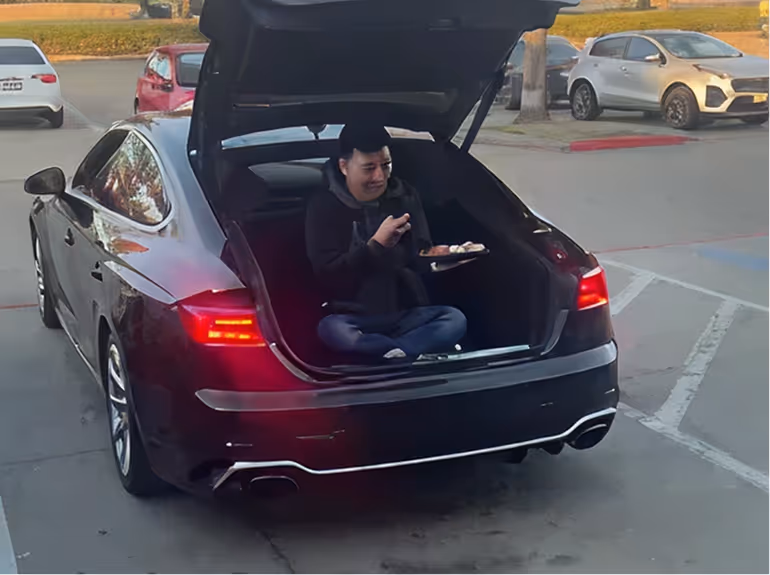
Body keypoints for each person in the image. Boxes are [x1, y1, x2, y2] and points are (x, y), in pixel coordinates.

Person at [305, 124, 467, 361]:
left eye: (386, 165)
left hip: (405, 312)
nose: (379, 177)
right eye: (369, 168)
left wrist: (441, 257)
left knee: (455, 319)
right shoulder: (323, 206)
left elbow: (419, 255)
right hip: (352, 316)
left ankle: (392, 352)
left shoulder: (404, 195)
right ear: (344, 166)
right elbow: (328, 274)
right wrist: (375, 247)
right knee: (331, 330)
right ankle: (407, 352)